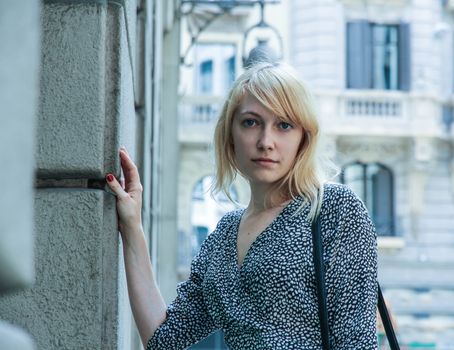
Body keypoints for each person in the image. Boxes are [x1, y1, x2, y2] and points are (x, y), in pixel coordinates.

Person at [106, 62, 378, 349]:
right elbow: (165, 341)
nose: (266, 142)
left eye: (284, 125)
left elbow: (357, 342)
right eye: (251, 122)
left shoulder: (334, 209)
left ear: (303, 138)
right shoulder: (225, 233)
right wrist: (132, 227)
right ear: (231, 135)